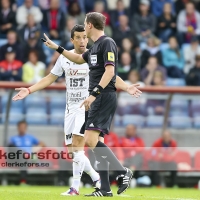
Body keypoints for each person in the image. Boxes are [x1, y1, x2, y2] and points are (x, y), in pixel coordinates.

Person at [13, 23, 141, 196]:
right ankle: (100, 182)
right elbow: (50, 77)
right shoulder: (65, 58)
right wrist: (28, 90)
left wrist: (126, 87)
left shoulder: (94, 55)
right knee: (75, 152)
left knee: (80, 145)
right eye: (78, 38)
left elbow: (111, 74)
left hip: (88, 106)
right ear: (72, 39)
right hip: (70, 109)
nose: (82, 41)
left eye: (85, 37)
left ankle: (77, 187)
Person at [8, 120, 45, 185]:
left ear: (26, 128)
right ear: (18, 128)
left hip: (28, 158)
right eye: (20, 127)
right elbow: (10, 148)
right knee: (14, 149)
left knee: (25, 158)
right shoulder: (13, 138)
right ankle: (23, 181)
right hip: (16, 158)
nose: (22, 128)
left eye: (23, 127)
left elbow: (43, 144)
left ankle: (23, 181)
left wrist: (35, 149)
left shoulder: (30, 137)